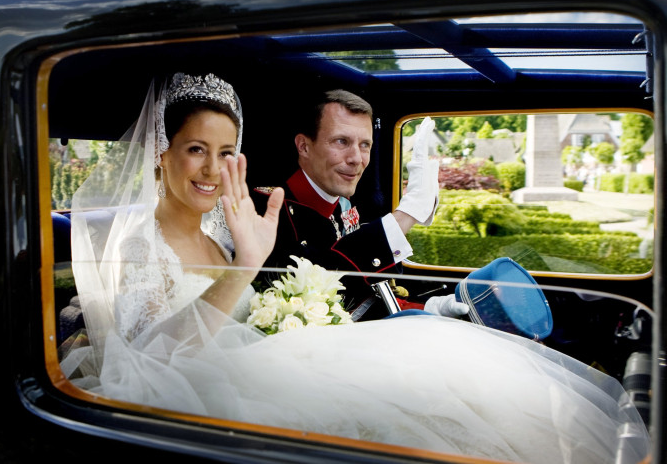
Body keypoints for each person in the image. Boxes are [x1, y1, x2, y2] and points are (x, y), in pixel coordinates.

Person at [60, 72, 650, 464]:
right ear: (159, 154)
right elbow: (150, 363)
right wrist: (250, 267)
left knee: (461, 376)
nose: (213, 170)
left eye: (225, 152)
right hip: (204, 399)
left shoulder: (227, 223)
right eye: (195, 149)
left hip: (279, 357)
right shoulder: (166, 238)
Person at [252, 90, 465, 318]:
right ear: (304, 146)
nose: (356, 158)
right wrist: (406, 215)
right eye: (341, 141)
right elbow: (317, 295)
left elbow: (367, 292)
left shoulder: (344, 203)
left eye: (365, 145)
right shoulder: (268, 210)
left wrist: (431, 307)